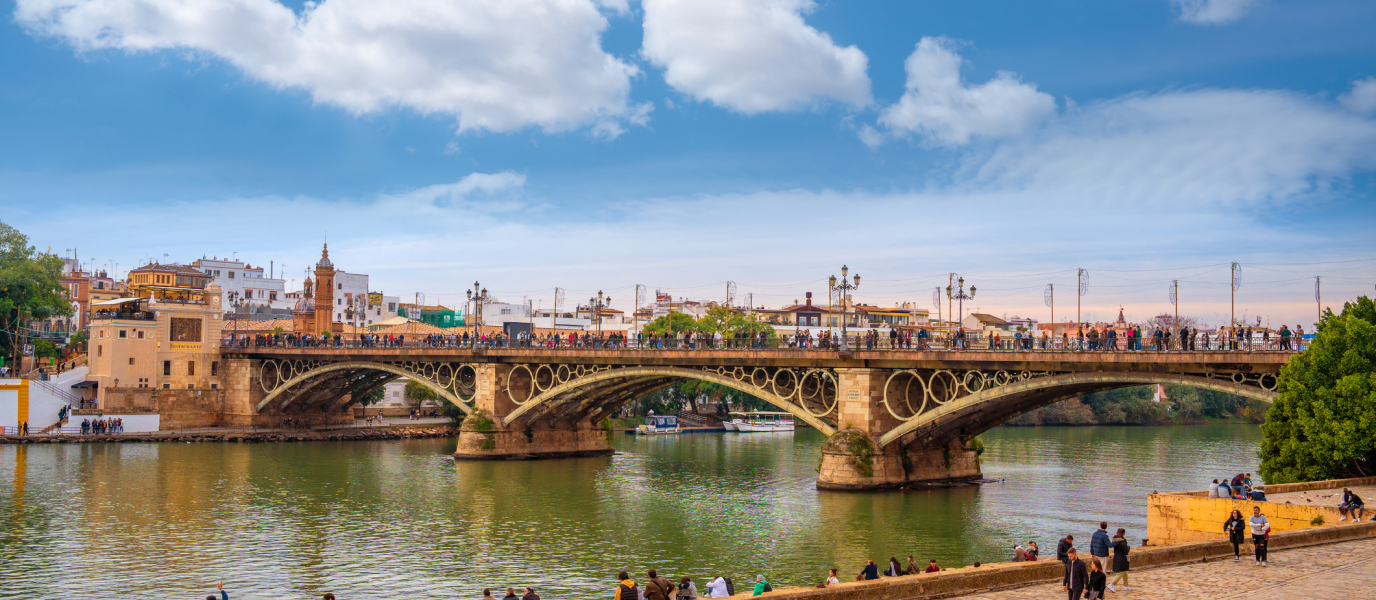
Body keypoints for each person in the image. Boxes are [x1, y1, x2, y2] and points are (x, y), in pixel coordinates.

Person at [1108, 528, 1131, 592]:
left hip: (1117, 557)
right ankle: (1111, 584)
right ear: (1123, 533)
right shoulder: (1123, 541)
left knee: (1125, 572)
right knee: (1120, 573)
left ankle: (1126, 586)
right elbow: (1125, 551)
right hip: (1122, 559)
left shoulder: (1115, 540)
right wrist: (1128, 547)